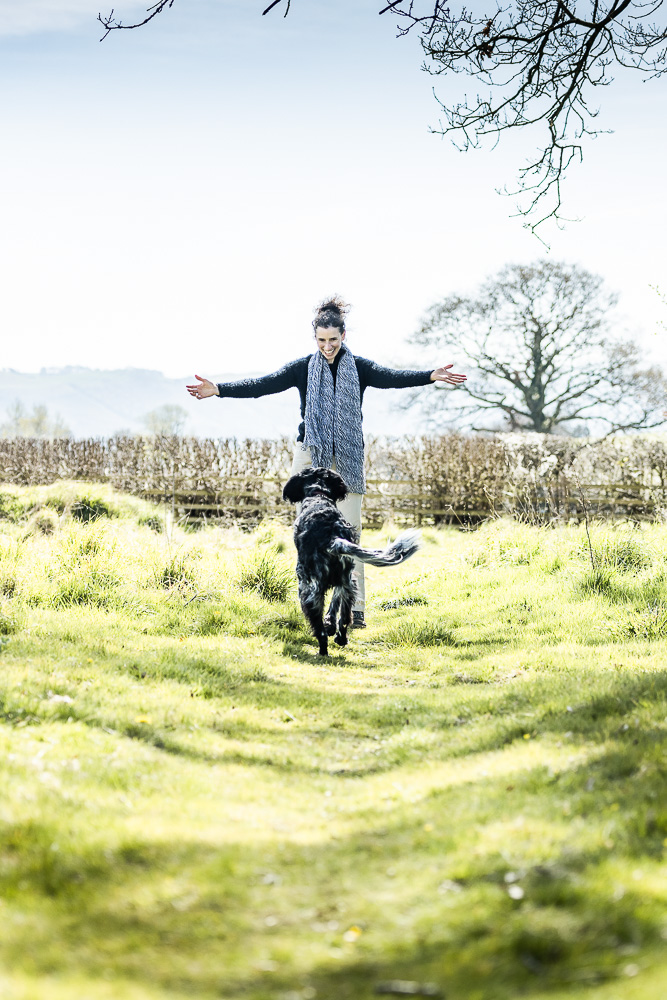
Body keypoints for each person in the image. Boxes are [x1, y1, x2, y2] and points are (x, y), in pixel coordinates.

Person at [186, 296, 466, 628]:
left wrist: (429, 375)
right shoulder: (303, 368)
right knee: (309, 532)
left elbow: (392, 377)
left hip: (347, 456)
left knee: (351, 534)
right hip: (311, 454)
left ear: (343, 336)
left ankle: (354, 608)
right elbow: (263, 385)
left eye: (333, 340)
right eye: (321, 340)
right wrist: (219, 389)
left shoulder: (359, 368)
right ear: (315, 338)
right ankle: (312, 599)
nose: (328, 346)